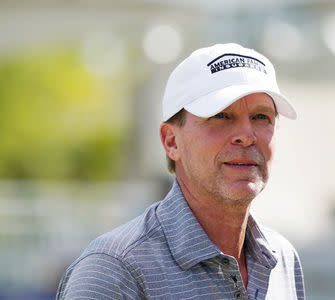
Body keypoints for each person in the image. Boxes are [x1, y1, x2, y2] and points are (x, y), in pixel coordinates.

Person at [56, 43, 305, 299]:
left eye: (262, 117)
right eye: (221, 116)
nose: (246, 135)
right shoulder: (114, 270)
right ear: (171, 141)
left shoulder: (282, 259)